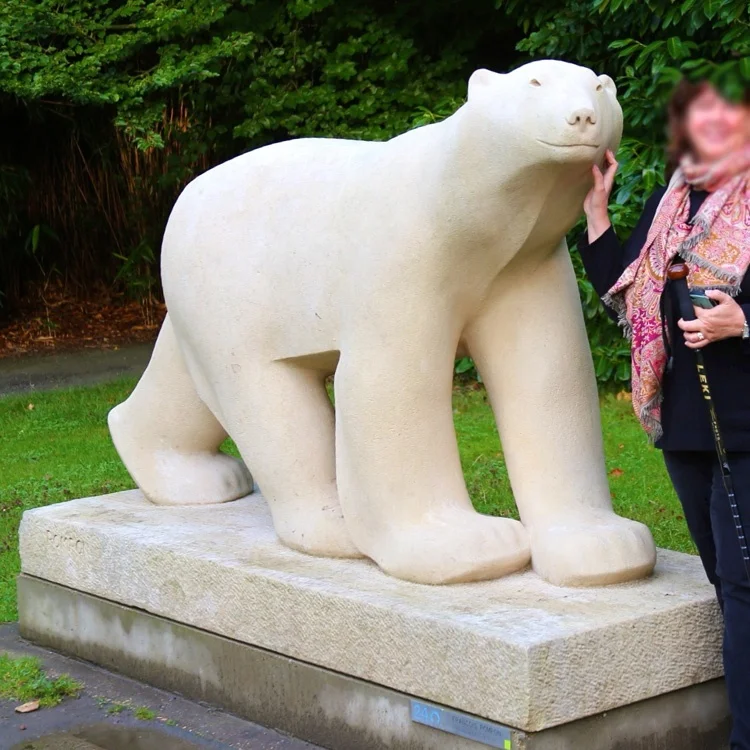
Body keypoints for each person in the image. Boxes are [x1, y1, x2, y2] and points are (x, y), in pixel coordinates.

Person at [580, 80, 750, 749]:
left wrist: (745, 320)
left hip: (745, 428)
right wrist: (598, 215)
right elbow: (624, 289)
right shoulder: (667, 207)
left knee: (741, 586)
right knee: (724, 579)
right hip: (684, 423)